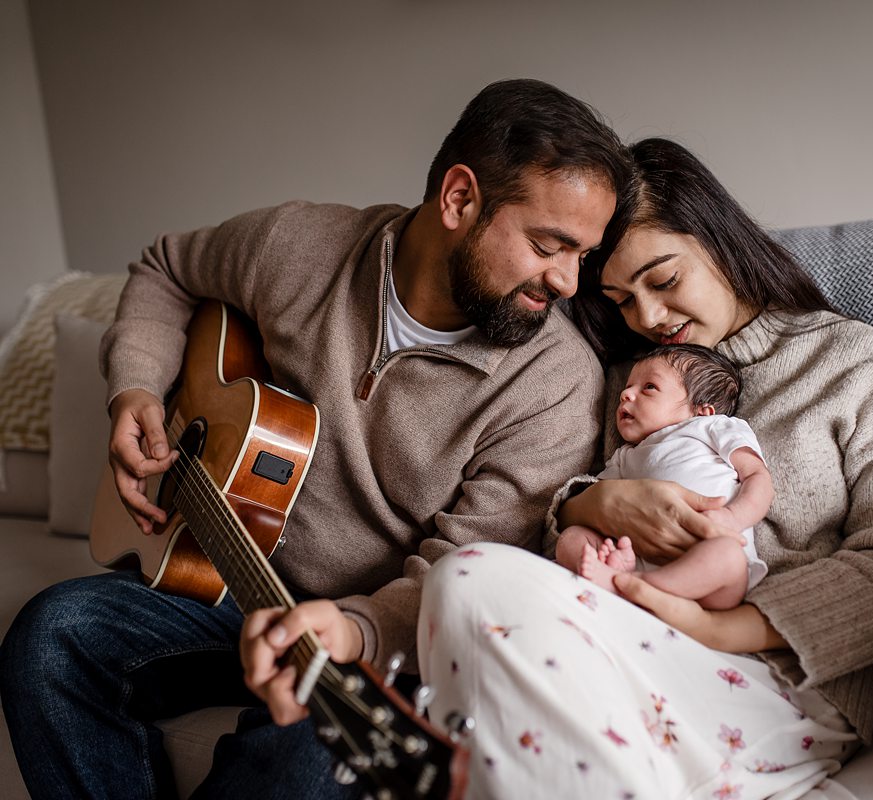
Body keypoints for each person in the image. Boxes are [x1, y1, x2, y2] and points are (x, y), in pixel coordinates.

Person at [0, 79, 632, 799]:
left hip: (360, 636)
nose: (568, 281)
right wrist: (137, 388)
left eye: (583, 255)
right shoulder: (299, 245)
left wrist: (356, 628)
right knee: (49, 636)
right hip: (223, 583)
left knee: (314, 755)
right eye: (549, 245)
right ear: (459, 199)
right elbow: (167, 269)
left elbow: (461, 575)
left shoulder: (555, 385)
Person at [418, 138, 873, 799]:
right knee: (465, 580)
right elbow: (553, 531)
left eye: (664, 281)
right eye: (621, 299)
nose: (647, 317)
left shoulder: (856, 364)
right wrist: (592, 506)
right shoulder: (625, 382)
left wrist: (715, 626)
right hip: (628, 634)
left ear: (720, 243)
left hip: (775, 678)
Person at [556, 343, 772, 611]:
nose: (625, 394)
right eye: (628, 386)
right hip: (642, 555)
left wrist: (734, 517)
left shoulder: (714, 427)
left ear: (701, 411)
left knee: (729, 556)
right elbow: (599, 502)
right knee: (572, 539)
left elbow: (758, 477)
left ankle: (631, 585)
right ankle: (622, 578)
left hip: (709, 572)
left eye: (649, 387)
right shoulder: (625, 456)